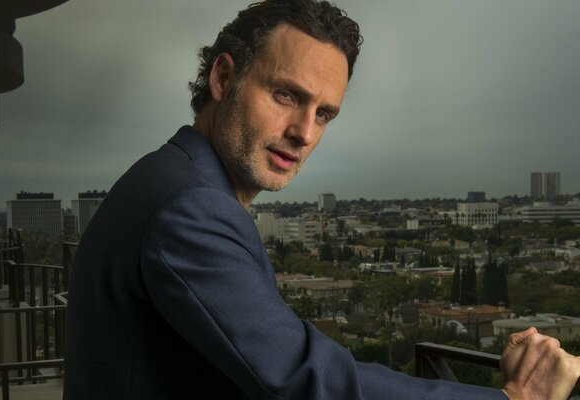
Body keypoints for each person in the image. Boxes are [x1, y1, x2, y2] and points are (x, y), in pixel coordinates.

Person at [63, 0, 580, 399]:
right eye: (286, 95)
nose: (304, 133)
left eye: (325, 113)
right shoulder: (188, 206)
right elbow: (303, 378)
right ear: (223, 78)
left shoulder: (175, 181)